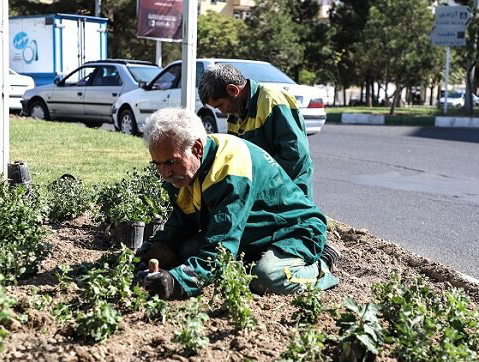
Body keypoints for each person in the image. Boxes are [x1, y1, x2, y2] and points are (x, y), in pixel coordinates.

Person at [137, 108, 338, 300]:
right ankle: (255, 259)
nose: (164, 174)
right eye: (158, 164)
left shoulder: (231, 172)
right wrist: (150, 250)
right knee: (185, 251)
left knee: (267, 277)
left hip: (295, 230)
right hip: (252, 233)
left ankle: (322, 264)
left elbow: (219, 250)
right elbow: (181, 224)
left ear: (197, 149)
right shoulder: (184, 171)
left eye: (170, 162)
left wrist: (176, 282)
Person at [198, 64, 314, 200]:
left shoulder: (272, 100)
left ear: (232, 90)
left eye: (220, 105)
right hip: (263, 193)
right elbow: (236, 156)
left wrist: (258, 187)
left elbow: (295, 156)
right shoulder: (235, 111)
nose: (222, 111)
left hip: (290, 193)